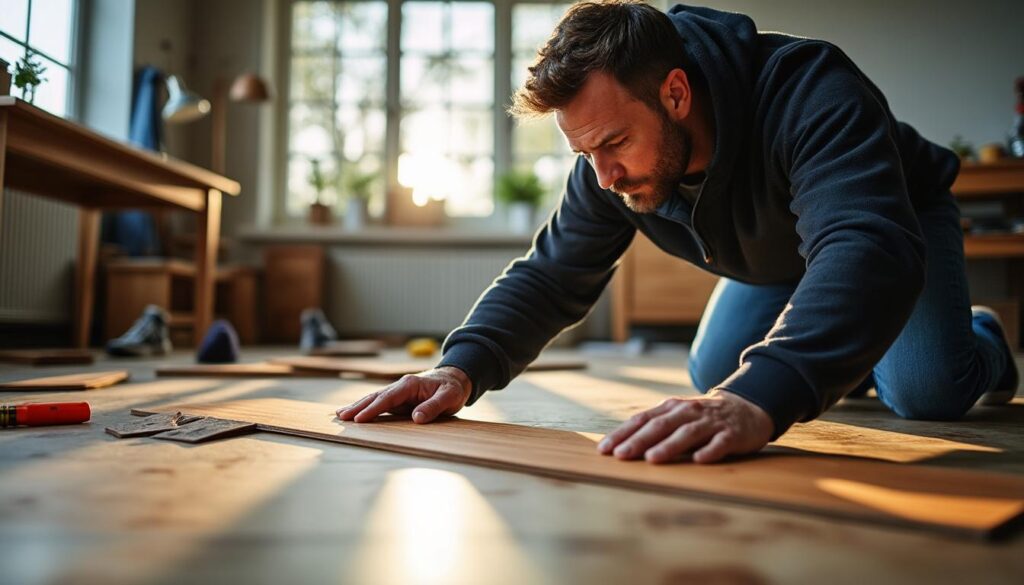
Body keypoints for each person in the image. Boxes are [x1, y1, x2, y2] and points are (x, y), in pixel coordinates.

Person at [337, 1, 1018, 464]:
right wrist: (460, 366)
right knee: (714, 375)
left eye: (612, 143)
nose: (603, 177)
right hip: (780, 258)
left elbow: (863, 249)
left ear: (675, 95)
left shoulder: (813, 90)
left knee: (924, 390)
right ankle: (860, 342)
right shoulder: (607, 170)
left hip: (890, 220)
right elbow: (550, 274)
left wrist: (763, 398)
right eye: (584, 155)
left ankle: (977, 336)